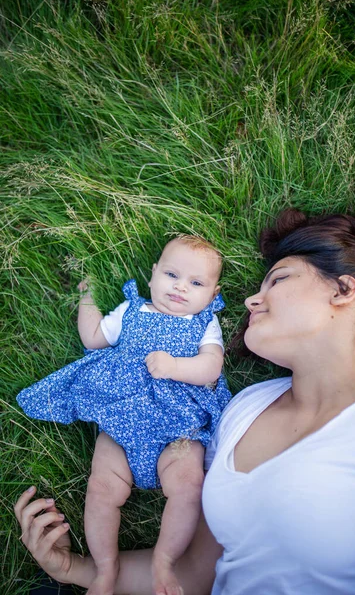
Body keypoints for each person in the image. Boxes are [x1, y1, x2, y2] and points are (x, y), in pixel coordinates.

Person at [15, 184, 355, 594]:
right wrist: (73, 569)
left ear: (343, 291)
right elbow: (196, 574)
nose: (253, 299)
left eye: (278, 279)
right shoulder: (243, 408)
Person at [16, 235, 232, 595]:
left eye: (196, 283)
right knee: (101, 487)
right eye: (172, 275)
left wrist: (175, 366)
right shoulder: (131, 311)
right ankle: (105, 569)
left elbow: (211, 367)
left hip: (177, 430)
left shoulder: (204, 324)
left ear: (213, 293)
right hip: (120, 421)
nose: (180, 287)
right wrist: (86, 299)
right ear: (152, 275)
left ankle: (164, 562)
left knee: (188, 486)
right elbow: (94, 338)